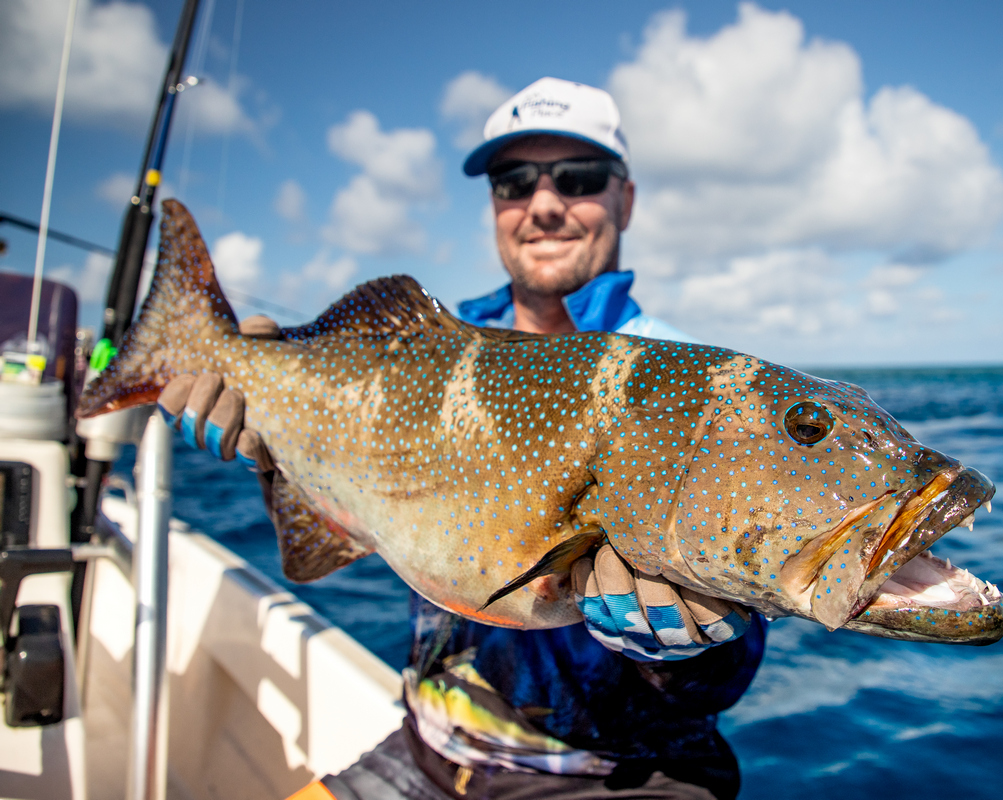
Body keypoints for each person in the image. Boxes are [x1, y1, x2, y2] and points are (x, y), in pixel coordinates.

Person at [158, 78, 766, 800]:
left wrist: (690, 644)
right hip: (422, 755)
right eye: (515, 182)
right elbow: (331, 531)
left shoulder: (688, 384)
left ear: (624, 199)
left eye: (577, 178)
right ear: (495, 206)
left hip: (620, 779)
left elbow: (730, 663)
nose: (543, 204)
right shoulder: (433, 342)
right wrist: (272, 429)